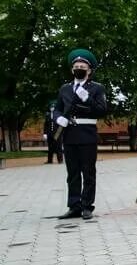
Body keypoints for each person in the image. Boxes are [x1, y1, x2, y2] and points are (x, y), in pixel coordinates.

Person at [53, 49, 107, 220]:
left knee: (88, 172)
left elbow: (102, 111)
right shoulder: (65, 89)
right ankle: (74, 206)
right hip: (69, 134)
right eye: (76, 66)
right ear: (71, 69)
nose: (79, 68)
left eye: (82, 66)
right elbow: (58, 108)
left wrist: (87, 99)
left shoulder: (97, 88)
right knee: (72, 173)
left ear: (89, 70)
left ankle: (87, 206)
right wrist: (58, 118)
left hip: (87, 135)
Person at [43, 100, 63, 164]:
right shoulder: (47, 115)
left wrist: (58, 133)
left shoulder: (59, 114)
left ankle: (60, 160)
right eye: (51, 106)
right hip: (49, 134)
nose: (52, 108)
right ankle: (49, 160)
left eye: (53, 106)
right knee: (50, 148)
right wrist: (45, 133)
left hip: (57, 133)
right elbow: (46, 125)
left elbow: (61, 125)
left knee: (58, 147)